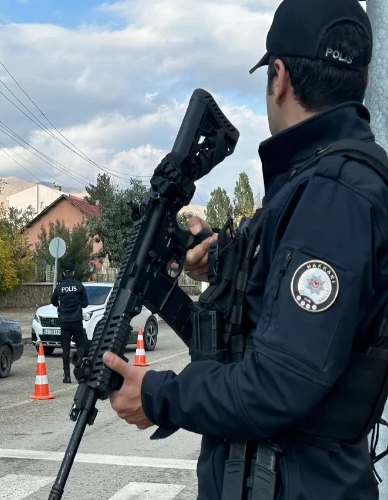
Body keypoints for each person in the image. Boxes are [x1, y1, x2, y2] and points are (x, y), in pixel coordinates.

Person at [103, 1, 388, 499]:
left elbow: (279, 383)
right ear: (363, 79)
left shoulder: (335, 193)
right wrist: (223, 262)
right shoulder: (313, 184)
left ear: (278, 77)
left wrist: (159, 395)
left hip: (295, 483)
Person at [51, 262, 88, 384]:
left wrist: (59, 305)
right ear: (73, 273)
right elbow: (85, 303)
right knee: (80, 345)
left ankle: (67, 376)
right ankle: (78, 366)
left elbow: (53, 301)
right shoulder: (79, 286)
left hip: (65, 321)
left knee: (65, 348)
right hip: (77, 320)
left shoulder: (60, 286)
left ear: (64, 273)